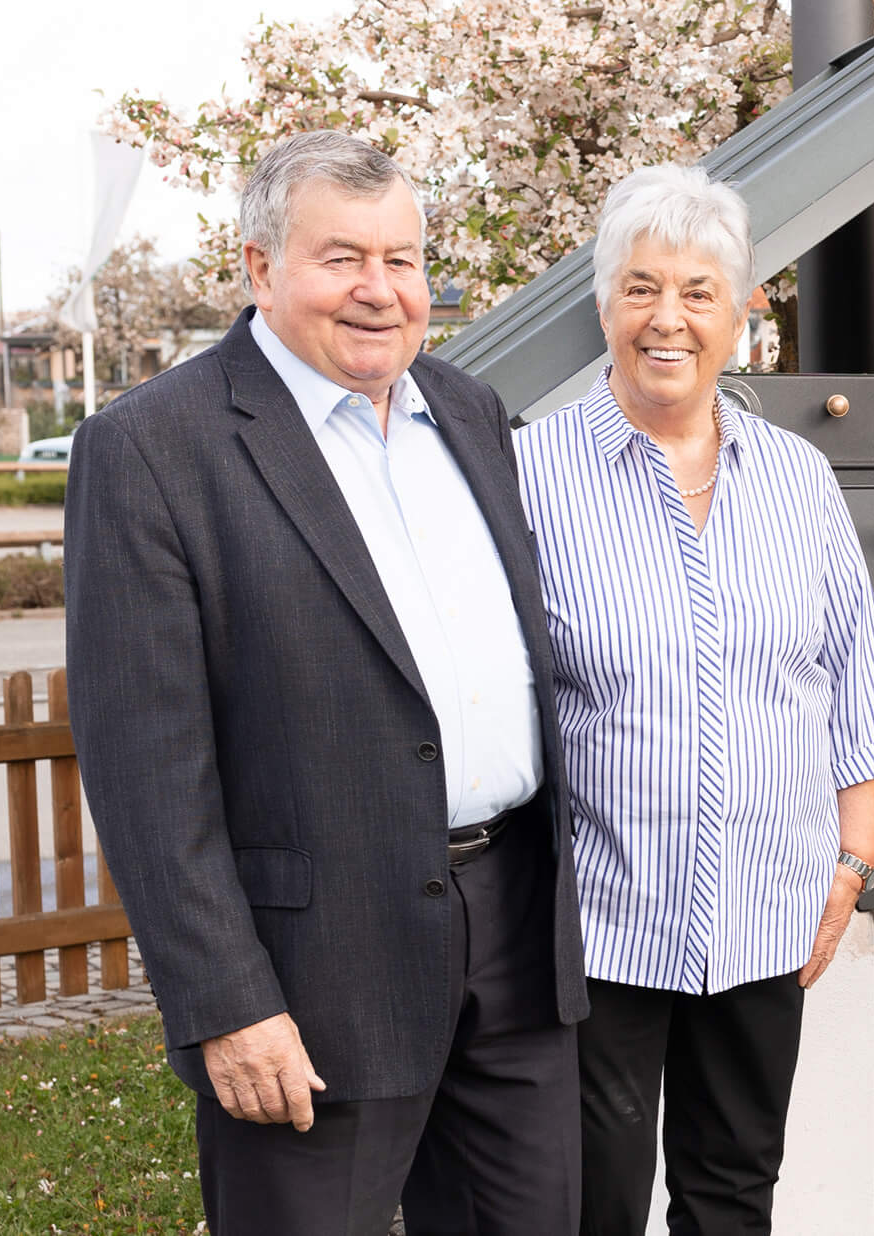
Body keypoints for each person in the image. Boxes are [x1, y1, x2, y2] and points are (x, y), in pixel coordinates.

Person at [63, 131, 586, 1233]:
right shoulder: (153, 450)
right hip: (312, 968)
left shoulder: (471, 413)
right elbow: (147, 773)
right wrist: (228, 1003)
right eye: (341, 258)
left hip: (515, 938)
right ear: (259, 268)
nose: (380, 291)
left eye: (403, 260)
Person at [514, 163, 874, 1236]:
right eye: (640, 288)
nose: (667, 319)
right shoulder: (530, 478)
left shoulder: (799, 479)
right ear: (604, 305)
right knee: (593, 1201)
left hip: (768, 911)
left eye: (697, 291)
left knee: (733, 1192)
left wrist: (851, 864)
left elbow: (854, 691)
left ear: (741, 315)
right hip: (600, 924)